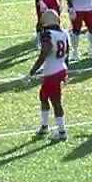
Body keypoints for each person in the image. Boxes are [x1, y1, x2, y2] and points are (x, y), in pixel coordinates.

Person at [27, 8, 70, 141]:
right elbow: (66, 53)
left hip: (52, 72)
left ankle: (62, 131)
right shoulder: (64, 33)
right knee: (43, 96)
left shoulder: (47, 34)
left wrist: (32, 72)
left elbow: (44, 53)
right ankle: (45, 126)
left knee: (55, 101)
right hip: (59, 68)